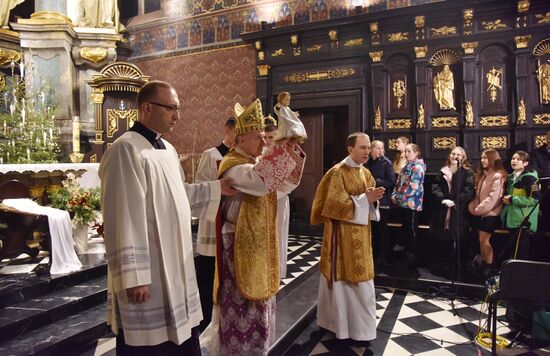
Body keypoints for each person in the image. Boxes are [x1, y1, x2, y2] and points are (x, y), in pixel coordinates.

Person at [99, 80, 236, 356]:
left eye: (178, 108)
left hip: (175, 265)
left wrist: (216, 188)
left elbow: (179, 197)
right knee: (150, 344)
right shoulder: (126, 149)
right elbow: (122, 217)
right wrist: (134, 275)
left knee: (181, 337)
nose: (177, 116)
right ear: (147, 108)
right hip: (149, 274)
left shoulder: (168, 150)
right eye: (171, 108)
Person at [214, 99, 305, 355]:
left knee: (260, 304)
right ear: (241, 138)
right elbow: (260, 181)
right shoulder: (232, 165)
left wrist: (289, 150)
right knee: (242, 305)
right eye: (258, 138)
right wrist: (280, 150)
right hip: (238, 245)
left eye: (265, 139)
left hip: (258, 242)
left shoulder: (253, 162)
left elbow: (281, 187)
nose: (264, 143)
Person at [311, 132, 384, 342]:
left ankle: (362, 329)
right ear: (350, 149)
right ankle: (339, 326)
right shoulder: (337, 172)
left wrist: (373, 200)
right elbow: (332, 206)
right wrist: (364, 199)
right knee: (345, 283)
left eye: (369, 147)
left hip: (362, 237)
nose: (367, 152)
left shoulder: (365, 173)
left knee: (364, 283)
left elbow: (370, 206)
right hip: (341, 239)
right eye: (362, 147)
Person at [193, 117, 236, 332]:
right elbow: (200, 186)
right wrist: (218, 189)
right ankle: (205, 317)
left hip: (233, 225)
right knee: (208, 272)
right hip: (212, 223)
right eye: (238, 131)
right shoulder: (211, 155)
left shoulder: (243, 158)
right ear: (228, 130)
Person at [431, 147, 475, 274]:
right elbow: (435, 187)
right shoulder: (443, 170)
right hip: (444, 208)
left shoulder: (467, 172)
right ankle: (444, 265)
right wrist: (443, 199)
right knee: (444, 235)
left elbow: (469, 190)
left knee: (459, 236)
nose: (455, 156)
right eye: (453, 153)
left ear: (463, 157)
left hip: (459, 209)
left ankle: (459, 266)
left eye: (458, 155)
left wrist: (455, 201)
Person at [468, 149, 506, 278]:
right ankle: (484, 264)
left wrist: (478, 210)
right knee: (480, 241)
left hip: (491, 214)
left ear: (492, 159)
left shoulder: (497, 175)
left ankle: (489, 267)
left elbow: (493, 198)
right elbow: (477, 195)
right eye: (482, 158)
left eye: (485, 158)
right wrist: (473, 206)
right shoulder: (483, 175)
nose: (482, 160)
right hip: (482, 213)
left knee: (485, 241)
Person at [263, 115, 291, 279]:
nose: (267, 140)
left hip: (279, 198)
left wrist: (271, 192)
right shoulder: (260, 153)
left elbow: (289, 181)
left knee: (278, 233)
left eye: (271, 137)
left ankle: (278, 271)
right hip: (263, 199)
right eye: (265, 137)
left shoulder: (283, 154)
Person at [499, 151, 540, 262]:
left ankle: (520, 278)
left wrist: (512, 199)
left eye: (518, 159)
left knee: (521, 255)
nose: (514, 161)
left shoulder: (529, 178)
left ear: (525, 163)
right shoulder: (511, 176)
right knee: (513, 254)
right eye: (513, 158)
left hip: (523, 221)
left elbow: (535, 199)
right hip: (512, 220)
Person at [391, 143, 426, 267]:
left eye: (409, 151)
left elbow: (413, 187)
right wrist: (394, 194)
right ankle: (407, 252)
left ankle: (412, 255)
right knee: (406, 228)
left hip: (411, 203)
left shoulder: (418, 167)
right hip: (403, 202)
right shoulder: (407, 165)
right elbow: (399, 182)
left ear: (416, 153)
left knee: (411, 229)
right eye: (405, 151)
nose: (406, 154)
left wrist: (399, 197)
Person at [365, 140, 396, 266]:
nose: (380, 151)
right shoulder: (368, 163)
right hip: (370, 200)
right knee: (374, 230)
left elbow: (391, 181)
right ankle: (373, 254)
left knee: (382, 230)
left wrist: (376, 181)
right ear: (371, 149)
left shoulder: (386, 163)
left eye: (381, 148)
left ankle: (383, 257)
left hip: (382, 200)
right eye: (377, 148)